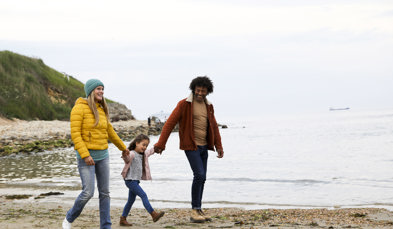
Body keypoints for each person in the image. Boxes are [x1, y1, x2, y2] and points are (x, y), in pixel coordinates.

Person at [154, 76, 224, 223]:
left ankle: (198, 209)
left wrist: (219, 146)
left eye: (203, 91)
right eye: (198, 90)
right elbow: (169, 124)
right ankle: (194, 211)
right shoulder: (184, 104)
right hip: (191, 146)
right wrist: (161, 144)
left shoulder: (209, 106)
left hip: (205, 146)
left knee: (203, 177)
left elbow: (214, 127)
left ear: (207, 92)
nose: (200, 93)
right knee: (199, 175)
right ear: (193, 89)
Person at [62, 79, 130, 229]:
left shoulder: (101, 108)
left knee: (105, 193)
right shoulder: (78, 109)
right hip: (86, 157)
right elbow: (76, 135)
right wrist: (85, 155)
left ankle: (105, 226)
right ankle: (69, 217)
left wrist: (123, 148)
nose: (101, 91)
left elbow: (109, 131)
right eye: (98, 89)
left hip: (103, 156)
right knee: (88, 192)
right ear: (91, 91)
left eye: (102, 89)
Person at [119, 134, 165, 226]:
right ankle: (153, 214)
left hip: (135, 181)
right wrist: (124, 154)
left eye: (146, 145)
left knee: (131, 201)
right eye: (143, 145)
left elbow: (151, 151)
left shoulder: (144, 154)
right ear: (137, 143)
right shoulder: (132, 153)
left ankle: (123, 219)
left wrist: (158, 147)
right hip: (130, 180)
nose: (145, 147)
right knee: (143, 195)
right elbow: (127, 159)